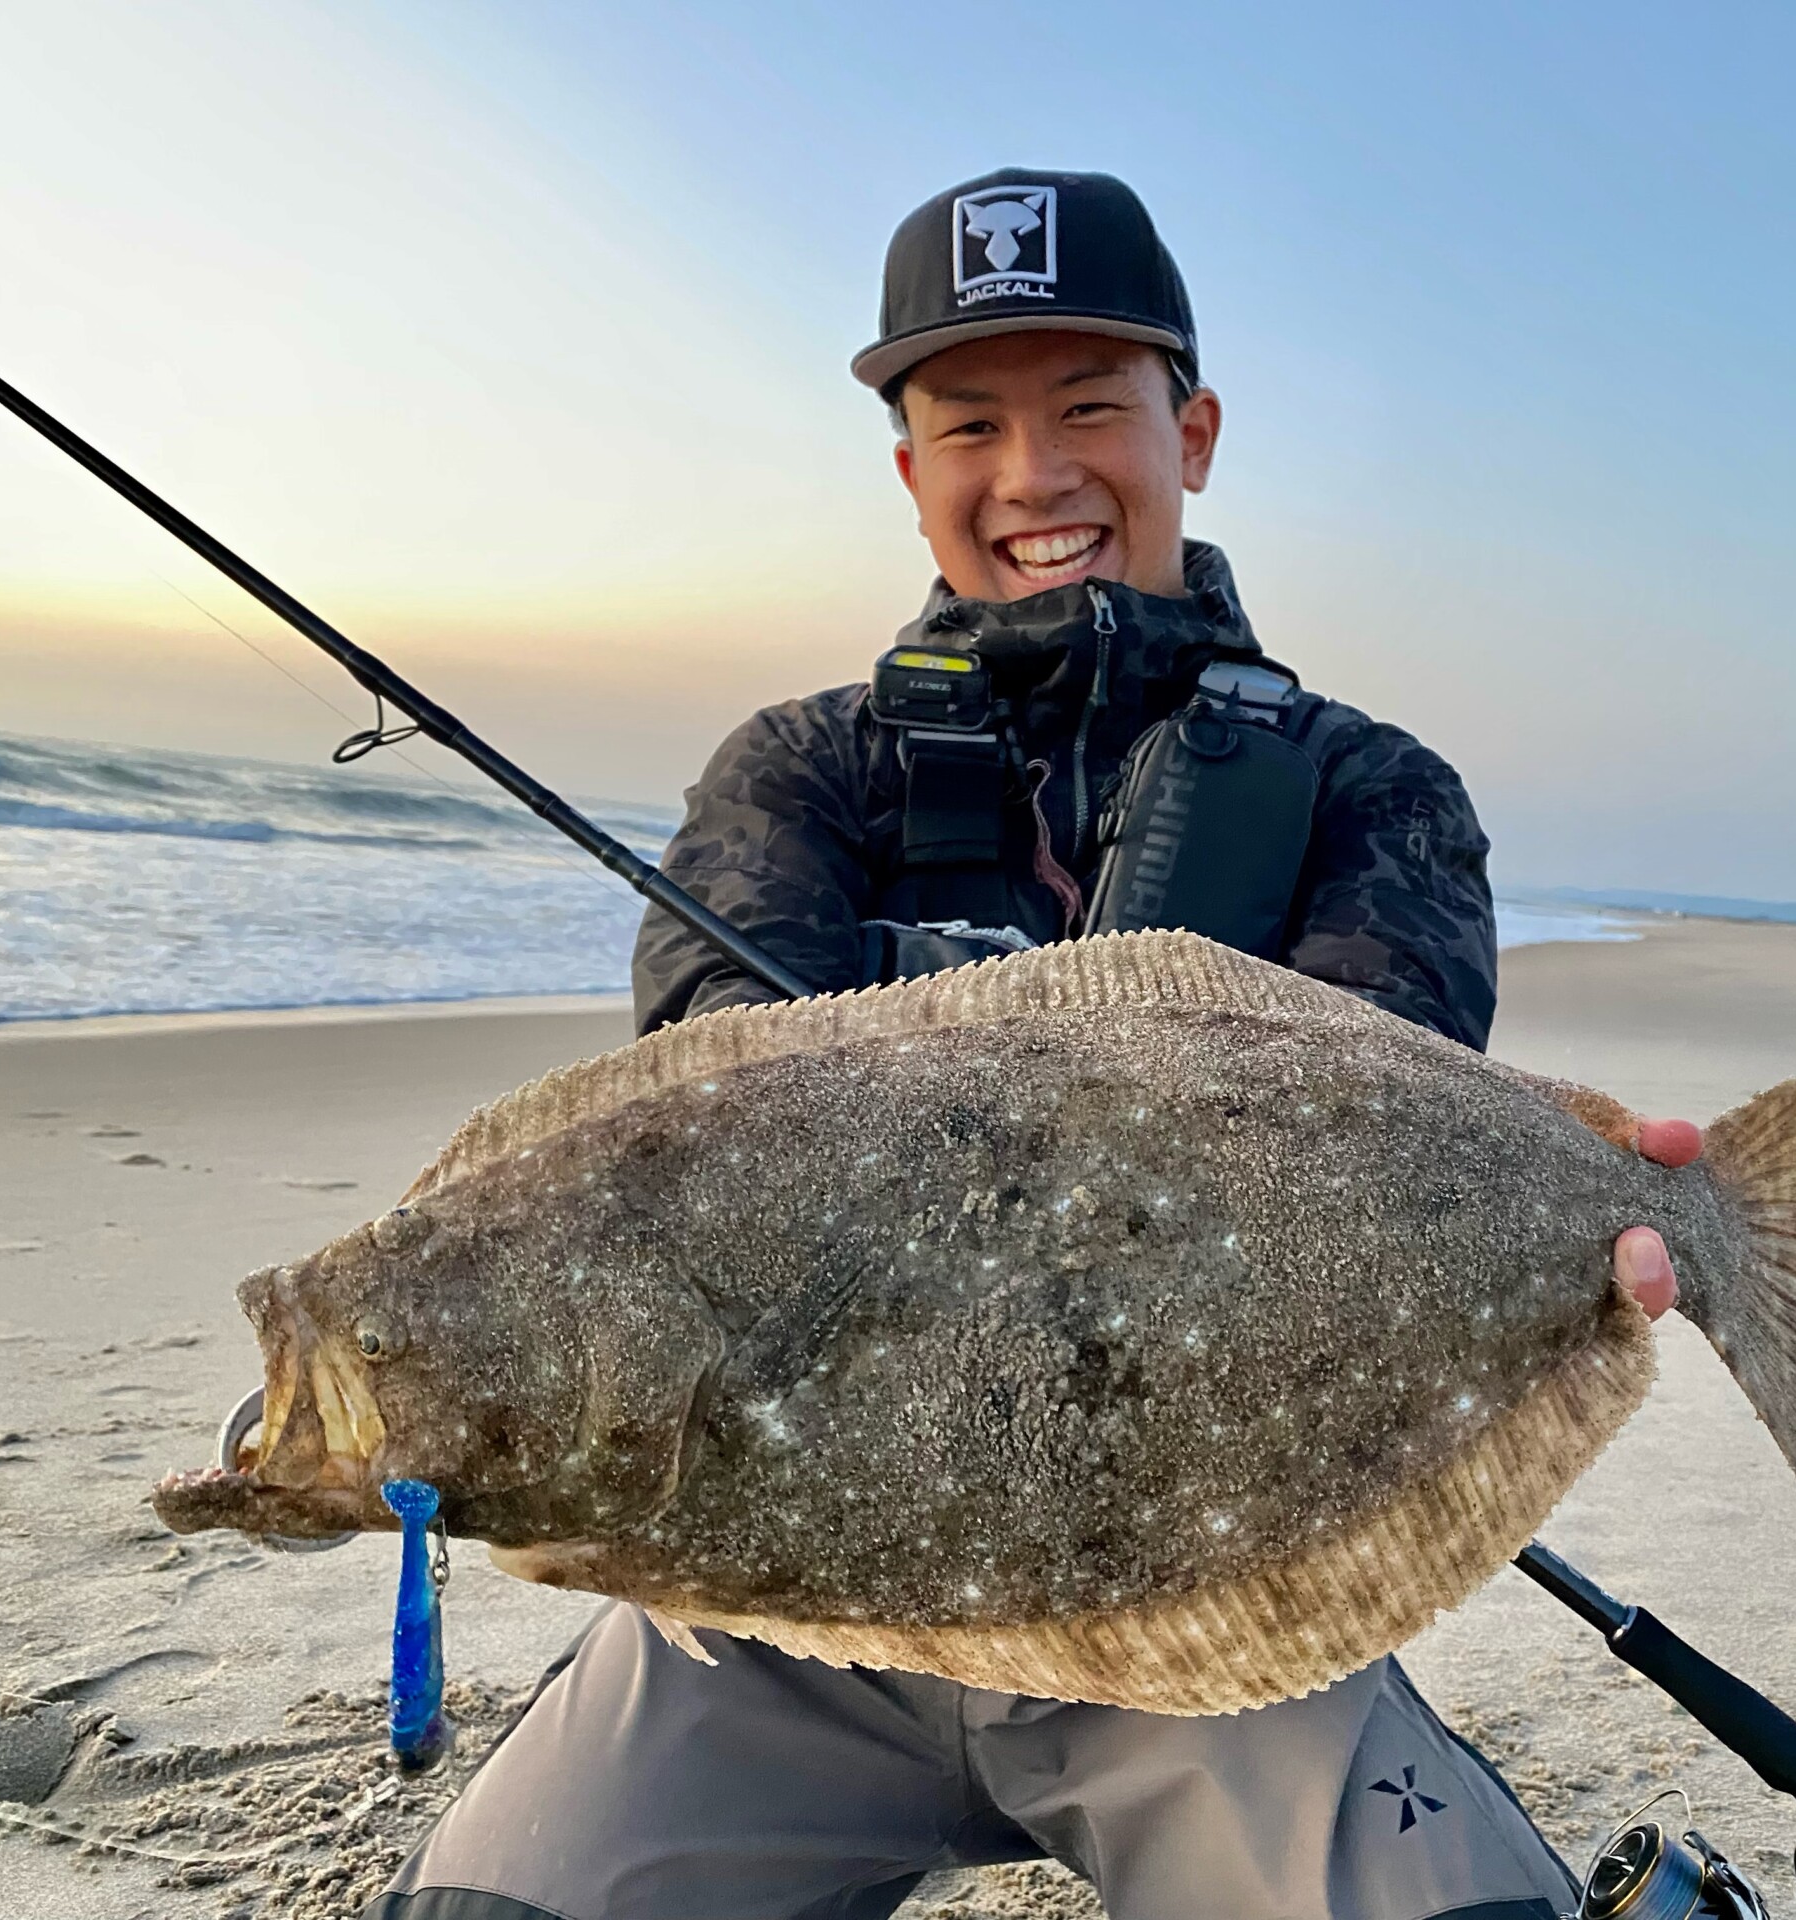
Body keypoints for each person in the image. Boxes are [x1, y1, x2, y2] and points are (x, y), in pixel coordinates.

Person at [374, 167, 1699, 1920]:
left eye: (1088, 408)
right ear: (910, 470)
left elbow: (1388, 1151)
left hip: (1191, 1597)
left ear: (1191, 432)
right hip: (781, 1612)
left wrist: (1562, 1242)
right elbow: (698, 1142)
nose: (1033, 474)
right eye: (970, 425)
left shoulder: (1370, 790)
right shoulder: (797, 773)